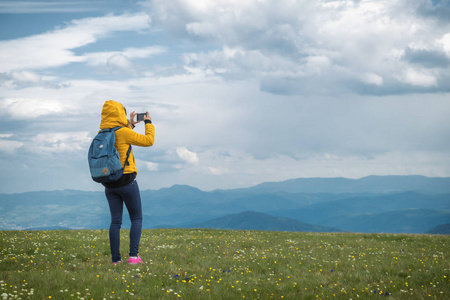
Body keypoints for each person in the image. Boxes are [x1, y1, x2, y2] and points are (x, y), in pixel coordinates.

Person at [99, 100, 155, 265]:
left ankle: (116, 260)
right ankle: (133, 257)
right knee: (136, 218)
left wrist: (130, 124)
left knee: (115, 221)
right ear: (119, 114)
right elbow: (148, 141)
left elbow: (119, 140)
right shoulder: (123, 132)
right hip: (126, 181)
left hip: (109, 184)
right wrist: (148, 122)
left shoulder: (101, 133)